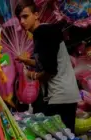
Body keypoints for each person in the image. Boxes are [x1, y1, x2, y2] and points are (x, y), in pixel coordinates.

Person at [16, 0, 80, 131]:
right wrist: (27, 61)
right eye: (19, 18)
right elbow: (48, 61)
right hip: (65, 94)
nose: (22, 21)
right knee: (64, 138)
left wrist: (31, 75)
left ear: (36, 15)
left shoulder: (42, 32)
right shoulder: (44, 32)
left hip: (60, 96)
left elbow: (50, 71)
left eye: (25, 16)